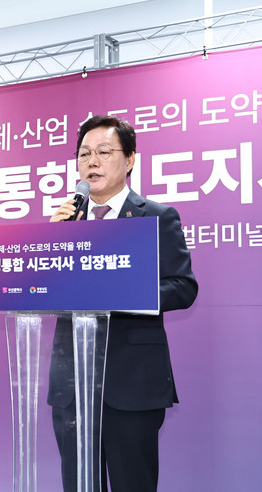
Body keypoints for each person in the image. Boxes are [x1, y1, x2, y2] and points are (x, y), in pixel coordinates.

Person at [47, 115, 197, 492]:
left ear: (129, 159)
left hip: (132, 383)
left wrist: (124, 292)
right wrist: (49, 244)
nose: (92, 162)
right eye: (84, 154)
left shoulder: (156, 217)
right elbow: (46, 289)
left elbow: (182, 287)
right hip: (72, 384)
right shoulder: (67, 222)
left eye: (103, 152)